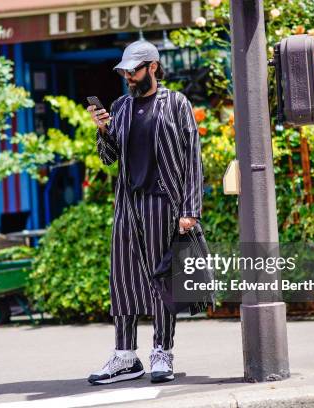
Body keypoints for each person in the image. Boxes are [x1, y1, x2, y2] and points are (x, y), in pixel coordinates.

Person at [86, 40, 204, 385]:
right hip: (128, 204)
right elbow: (109, 158)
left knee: (161, 282)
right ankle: (125, 356)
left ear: (152, 66)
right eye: (124, 71)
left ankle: (162, 351)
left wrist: (190, 208)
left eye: (133, 70)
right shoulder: (120, 106)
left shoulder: (176, 103)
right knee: (121, 279)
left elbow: (193, 158)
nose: (128, 77)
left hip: (163, 204)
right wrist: (104, 129)